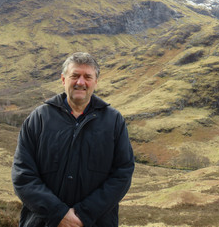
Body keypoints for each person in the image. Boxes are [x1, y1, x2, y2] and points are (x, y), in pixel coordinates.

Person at [12, 52, 135, 227]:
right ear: (63, 79)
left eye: (87, 77)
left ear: (96, 82)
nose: (80, 82)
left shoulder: (114, 121)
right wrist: (58, 214)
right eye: (75, 76)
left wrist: (84, 214)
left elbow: (122, 173)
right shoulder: (38, 119)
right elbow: (22, 175)